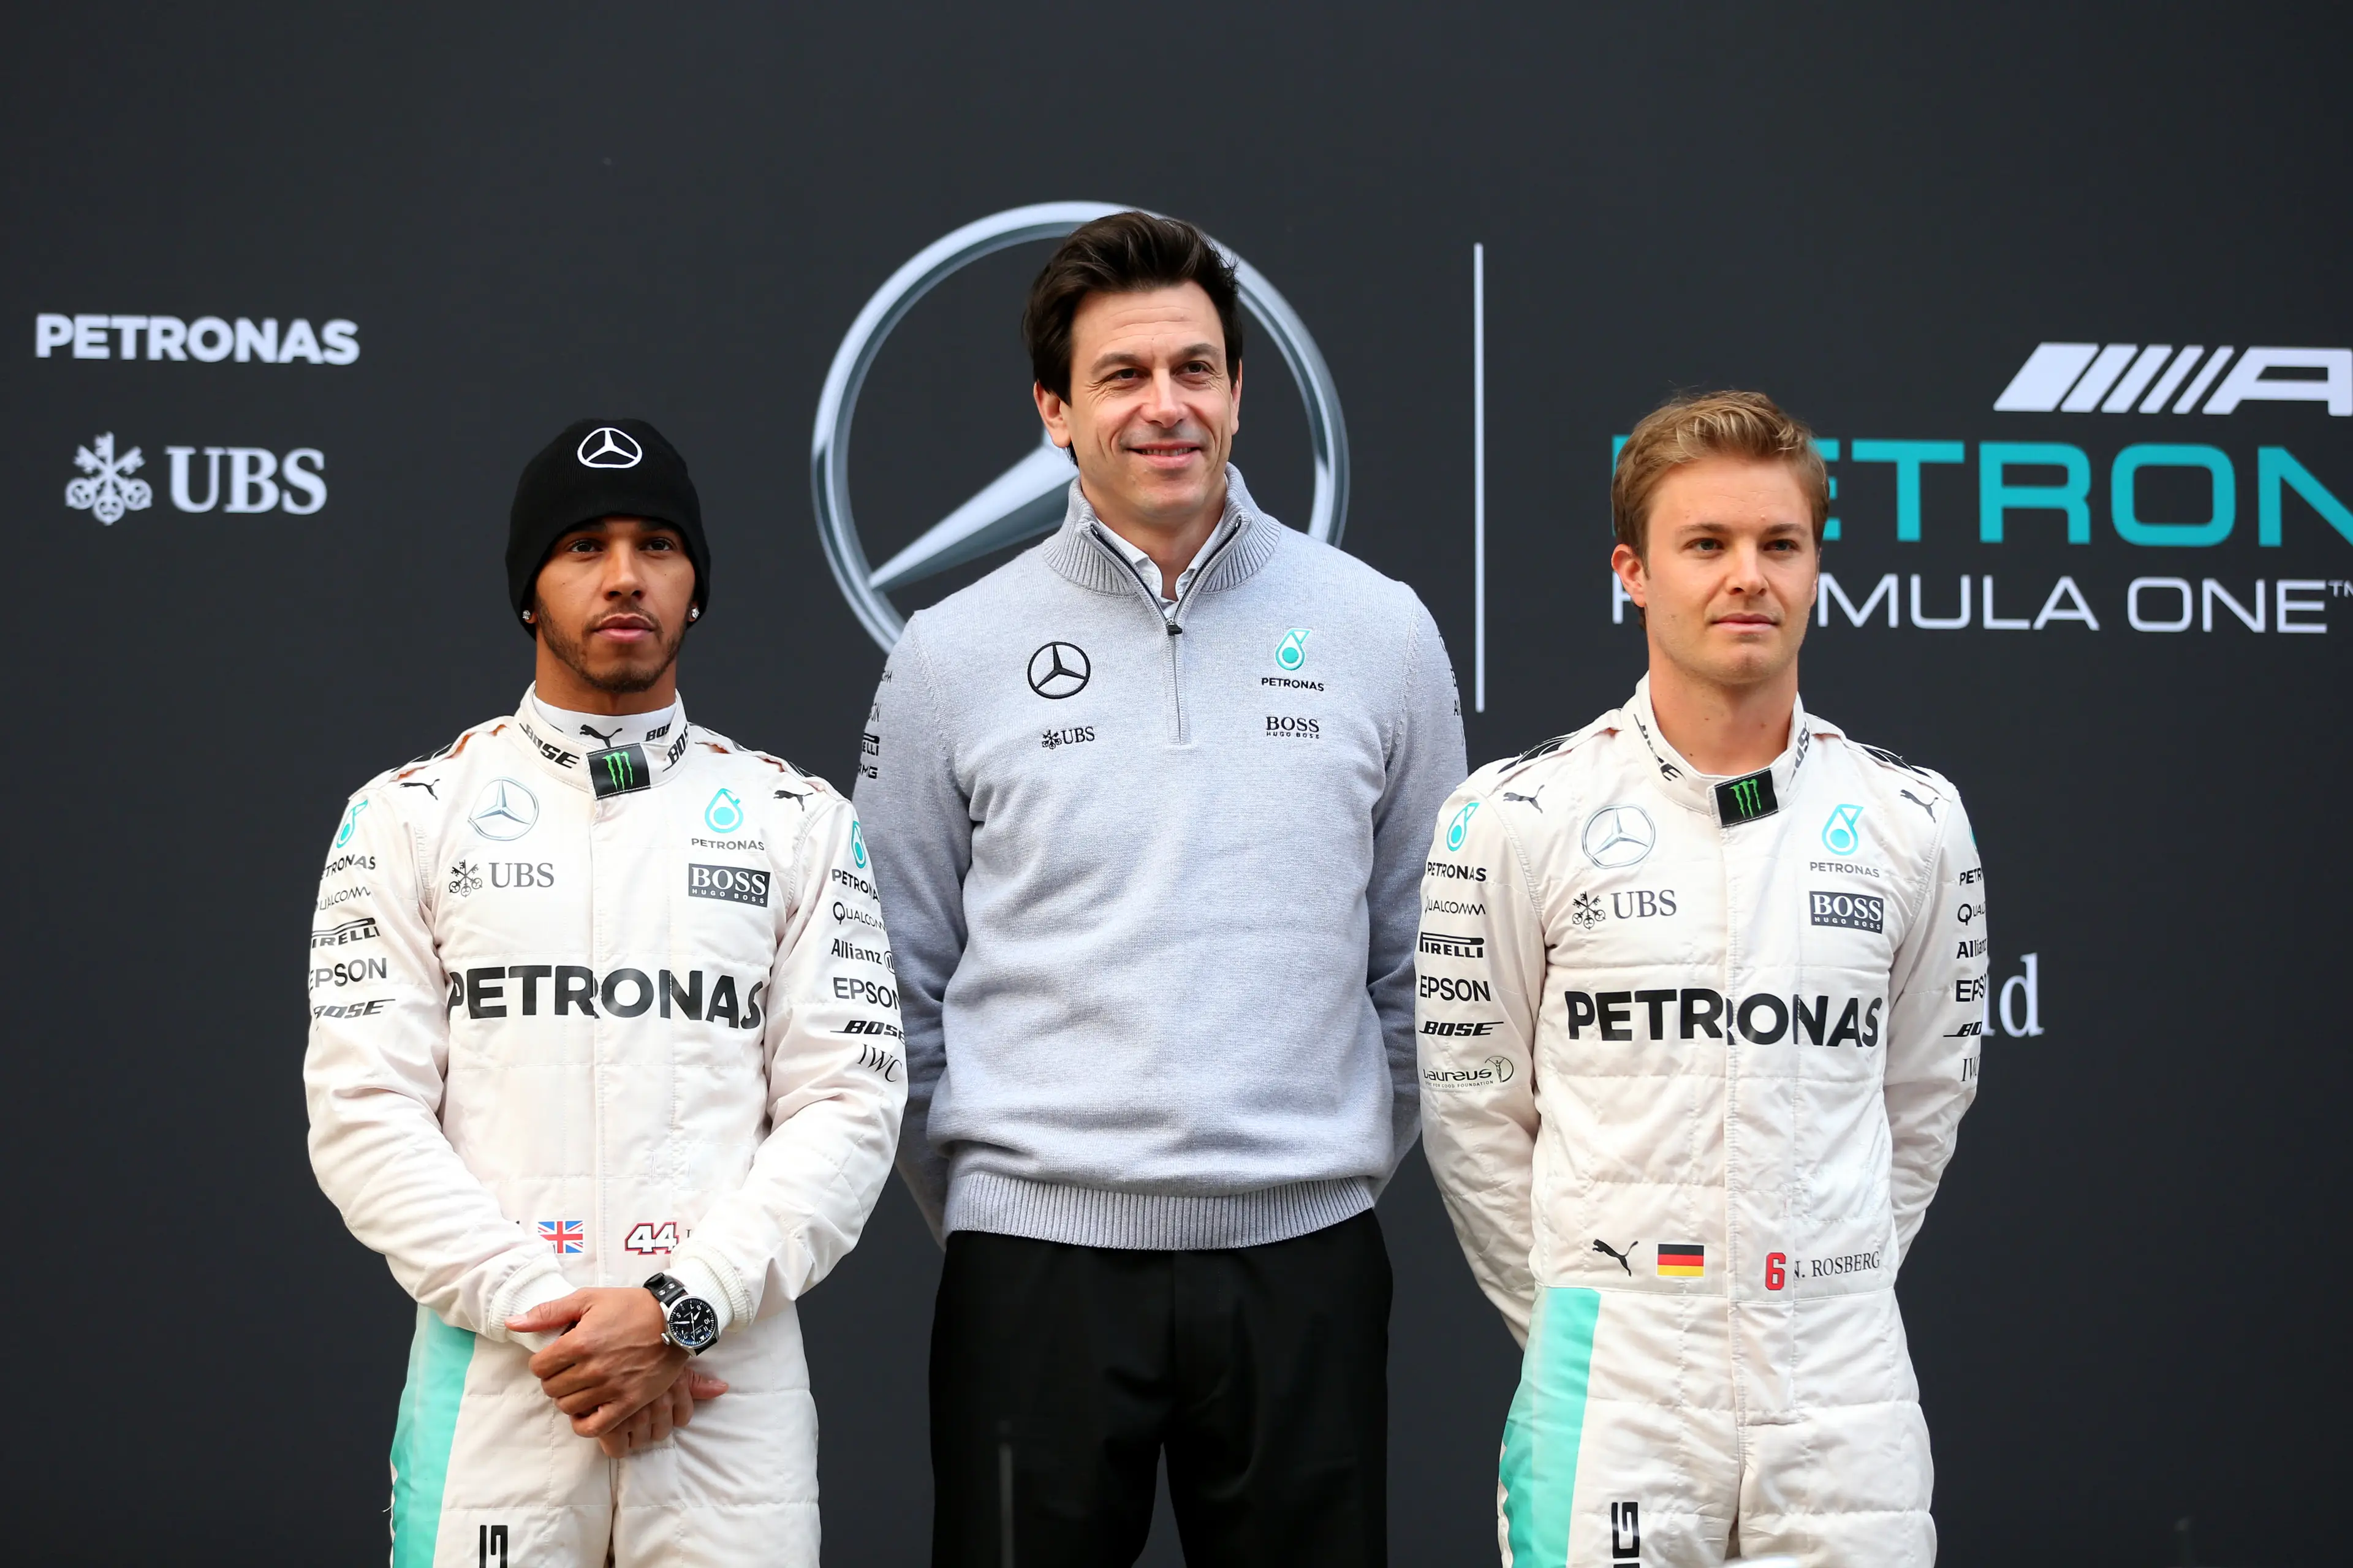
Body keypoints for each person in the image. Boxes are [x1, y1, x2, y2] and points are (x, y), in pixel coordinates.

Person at [856, 211, 1466, 1567]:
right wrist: (1009, 1191)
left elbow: (1431, 969)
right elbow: (888, 979)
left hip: (1304, 1256)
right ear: (1054, 412)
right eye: (1123, 376)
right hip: (1034, 1272)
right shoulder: (952, 652)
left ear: (1242, 393)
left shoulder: (1383, 629)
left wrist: (1321, 1159)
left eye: (1195, 368)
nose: (1165, 405)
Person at [305, 417, 905, 1567]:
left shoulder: (802, 823)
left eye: (656, 545)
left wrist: (678, 1310)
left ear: (697, 586)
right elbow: (364, 1116)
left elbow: (850, 1108)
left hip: (725, 1384)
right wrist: (565, 1327)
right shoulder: (407, 816)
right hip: (498, 1380)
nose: (624, 575)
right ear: (528, 588)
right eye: (583, 545)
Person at [1416, 391, 1986, 1567]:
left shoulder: (1915, 819)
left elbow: (1925, 1093)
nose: (1748, 577)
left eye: (1780, 545)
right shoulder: (1514, 814)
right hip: (1607, 1381)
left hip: (1842, 1379)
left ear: (1818, 566)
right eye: (1707, 545)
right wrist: (1584, 1311)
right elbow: (1473, 1110)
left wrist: (1820, 1268)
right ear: (1633, 570)